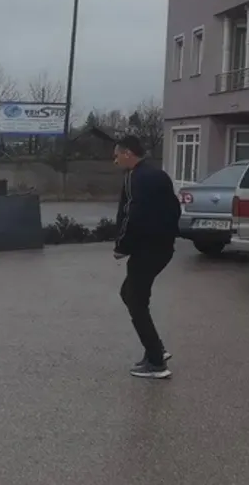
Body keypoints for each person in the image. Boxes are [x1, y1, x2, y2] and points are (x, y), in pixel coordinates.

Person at [113, 135, 180, 380]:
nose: (115, 160)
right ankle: (157, 348)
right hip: (163, 248)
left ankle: (156, 361)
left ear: (129, 153)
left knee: (134, 299)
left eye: (117, 154)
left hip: (146, 250)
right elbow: (175, 208)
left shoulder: (134, 177)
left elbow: (132, 215)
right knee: (129, 294)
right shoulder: (158, 175)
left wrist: (122, 245)